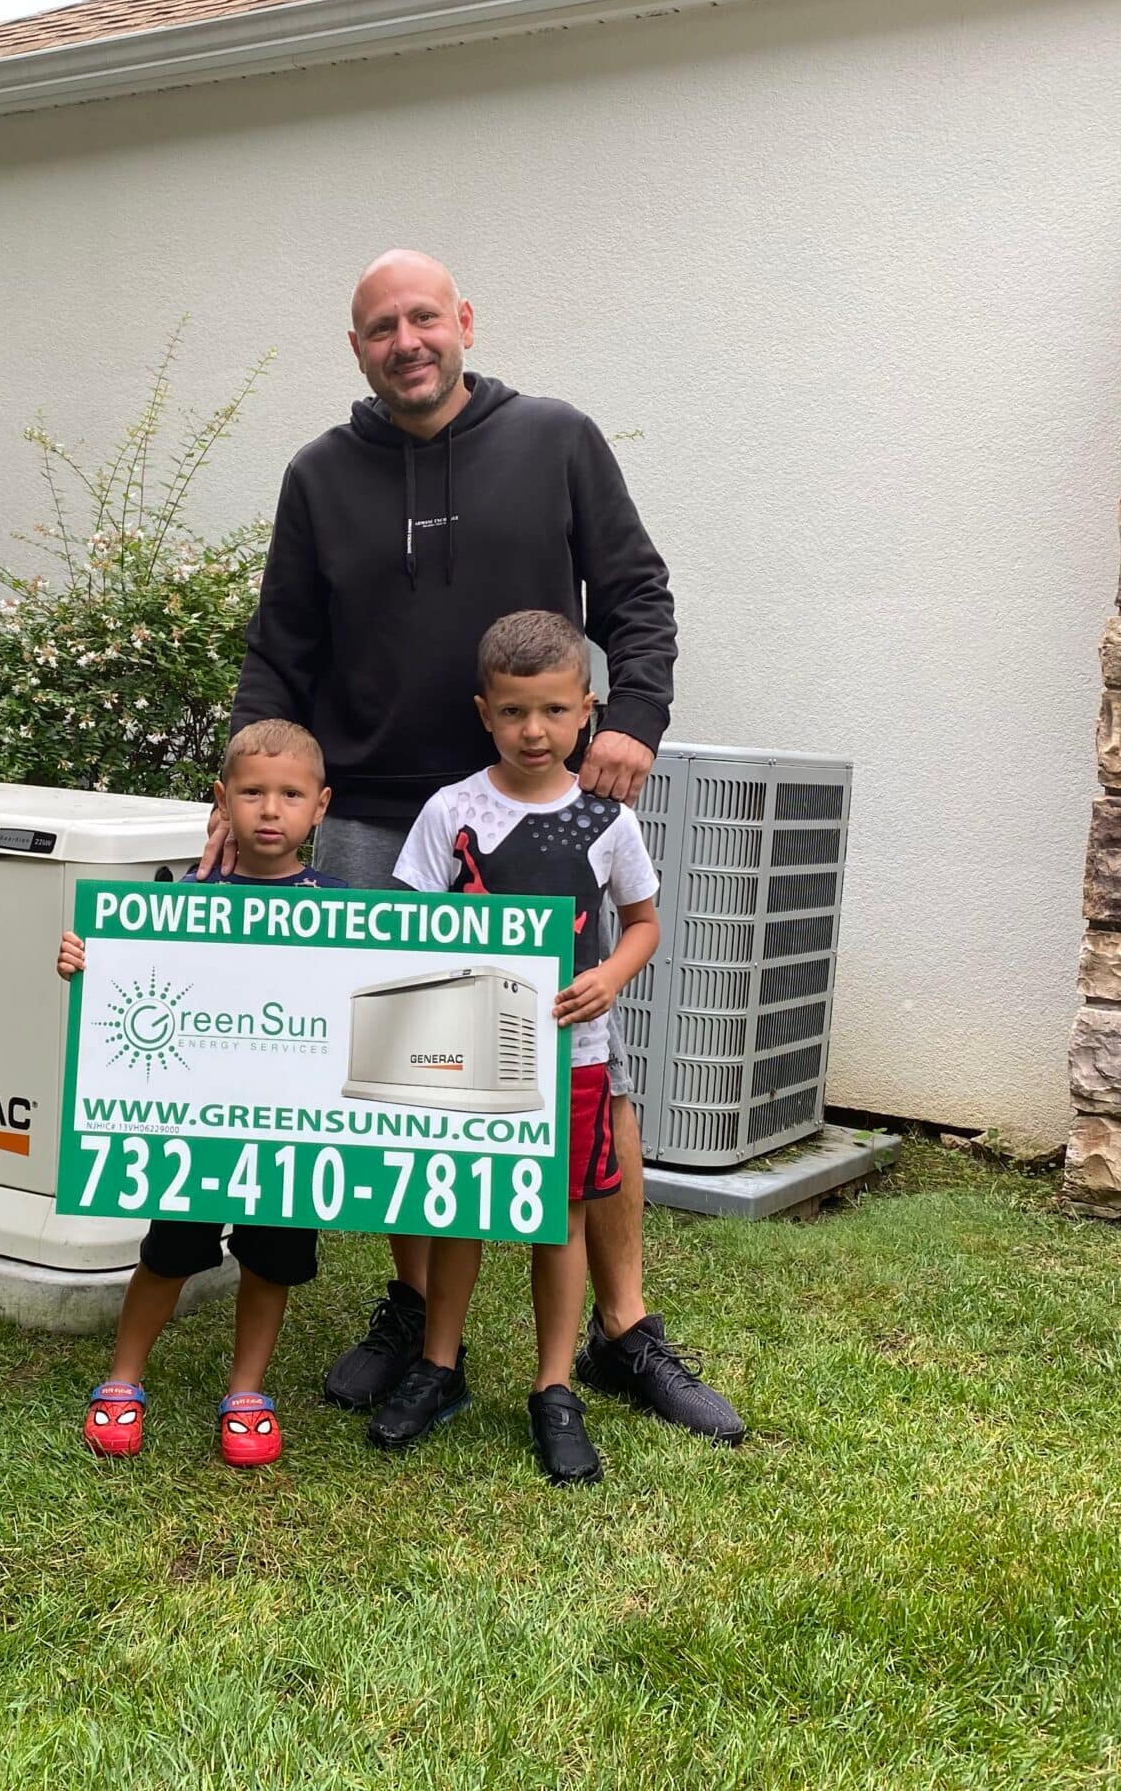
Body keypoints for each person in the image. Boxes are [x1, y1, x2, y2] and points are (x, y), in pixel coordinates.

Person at [222, 247, 744, 1446]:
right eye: (378, 327)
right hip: (370, 822)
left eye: (422, 317)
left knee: (587, 1075)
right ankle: (417, 1315)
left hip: (538, 811)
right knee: (411, 1087)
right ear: (357, 349)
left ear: (463, 321)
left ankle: (624, 1332)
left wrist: (636, 722)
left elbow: (636, 596)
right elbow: (280, 647)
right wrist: (240, 775)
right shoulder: (319, 475)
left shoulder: (557, 438)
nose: (404, 341)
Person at [364, 611, 658, 1483]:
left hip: (573, 1056)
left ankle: (555, 1387)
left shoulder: (607, 818)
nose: (535, 731)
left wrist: (610, 976)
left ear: (588, 711)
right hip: (465, 1055)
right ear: (484, 711)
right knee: (459, 1206)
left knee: (557, 1218)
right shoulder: (449, 809)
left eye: (555, 712)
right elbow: (403, 924)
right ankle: (438, 1367)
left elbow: (642, 922)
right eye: (514, 713)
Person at [58, 719, 345, 1467]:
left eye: (290, 795)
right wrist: (91, 959)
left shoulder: (349, 911)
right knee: (170, 1250)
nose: (270, 810)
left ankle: (247, 1392)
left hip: (291, 1130)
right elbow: (139, 981)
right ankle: (123, 1379)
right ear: (221, 802)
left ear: (321, 806)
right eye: (252, 793)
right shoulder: (187, 898)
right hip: (195, 1125)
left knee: (270, 1259)